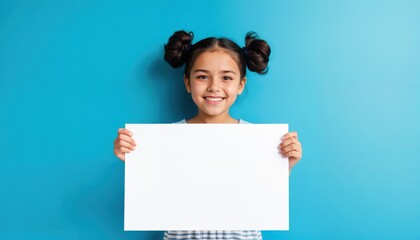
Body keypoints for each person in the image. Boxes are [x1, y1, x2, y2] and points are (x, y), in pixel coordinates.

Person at [113, 30, 303, 240]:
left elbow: (264, 199)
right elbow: (152, 195)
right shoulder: (167, 139)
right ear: (187, 83)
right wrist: (133, 158)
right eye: (203, 76)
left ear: (241, 85)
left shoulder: (259, 139)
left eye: (227, 78)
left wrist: (283, 166)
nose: (214, 87)